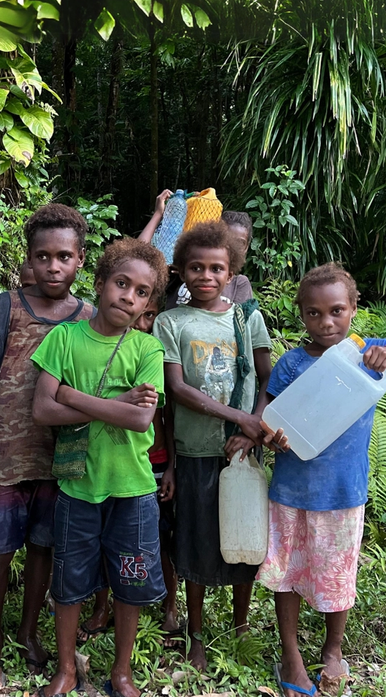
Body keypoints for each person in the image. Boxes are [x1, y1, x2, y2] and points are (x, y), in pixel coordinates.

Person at [258, 263, 386, 697]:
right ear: (300, 313)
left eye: (336, 311)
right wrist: (271, 437)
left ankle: (333, 650)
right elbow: (269, 418)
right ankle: (291, 655)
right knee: (286, 574)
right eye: (313, 313)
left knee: (337, 574)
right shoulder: (291, 363)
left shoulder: (365, 353)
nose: (325, 322)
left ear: (353, 309)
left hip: (343, 491)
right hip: (291, 489)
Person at [24, 237, 169, 697]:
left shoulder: (148, 348)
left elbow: (139, 419)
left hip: (133, 490)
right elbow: (43, 410)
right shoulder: (64, 340)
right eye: (121, 283)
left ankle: (122, 674)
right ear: (101, 282)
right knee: (68, 583)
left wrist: (72, 395)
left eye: (142, 292)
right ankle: (66, 670)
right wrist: (115, 402)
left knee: (131, 583)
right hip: (77, 489)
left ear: (149, 303)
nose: (129, 296)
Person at [0, 204, 95, 688]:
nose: (53, 267)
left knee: (43, 548)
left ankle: (29, 632)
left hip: (61, 460)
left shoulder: (89, 317)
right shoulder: (6, 307)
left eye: (64, 257)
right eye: (43, 257)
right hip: (5, 459)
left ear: (80, 259)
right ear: (29, 259)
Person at [154, 221, 275, 671]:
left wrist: (253, 428)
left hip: (241, 452)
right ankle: (197, 633)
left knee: (245, 536)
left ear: (231, 272)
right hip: (194, 451)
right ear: (182, 271)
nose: (206, 276)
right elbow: (176, 390)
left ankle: (241, 625)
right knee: (196, 542)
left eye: (216, 268)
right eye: (196, 268)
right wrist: (238, 418)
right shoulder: (170, 321)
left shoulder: (248, 318)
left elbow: (267, 379)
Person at [76, 291, 184, 648]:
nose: (140, 322)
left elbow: (163, 415)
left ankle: (169, 605)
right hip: (107, 465)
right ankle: (102, 605)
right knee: (108, 540)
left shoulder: (152, 353)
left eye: (149, 314)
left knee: (160, 538)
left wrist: (171, 466)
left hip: (153, 462)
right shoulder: (104, 347)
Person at [138, 192, 254, 309]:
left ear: (246, 248)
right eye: (225, 239)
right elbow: (138, 257)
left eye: (239, 243)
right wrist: (158, 213)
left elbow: (242, 319)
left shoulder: (239, 284)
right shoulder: (180, 272)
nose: (206, 277)